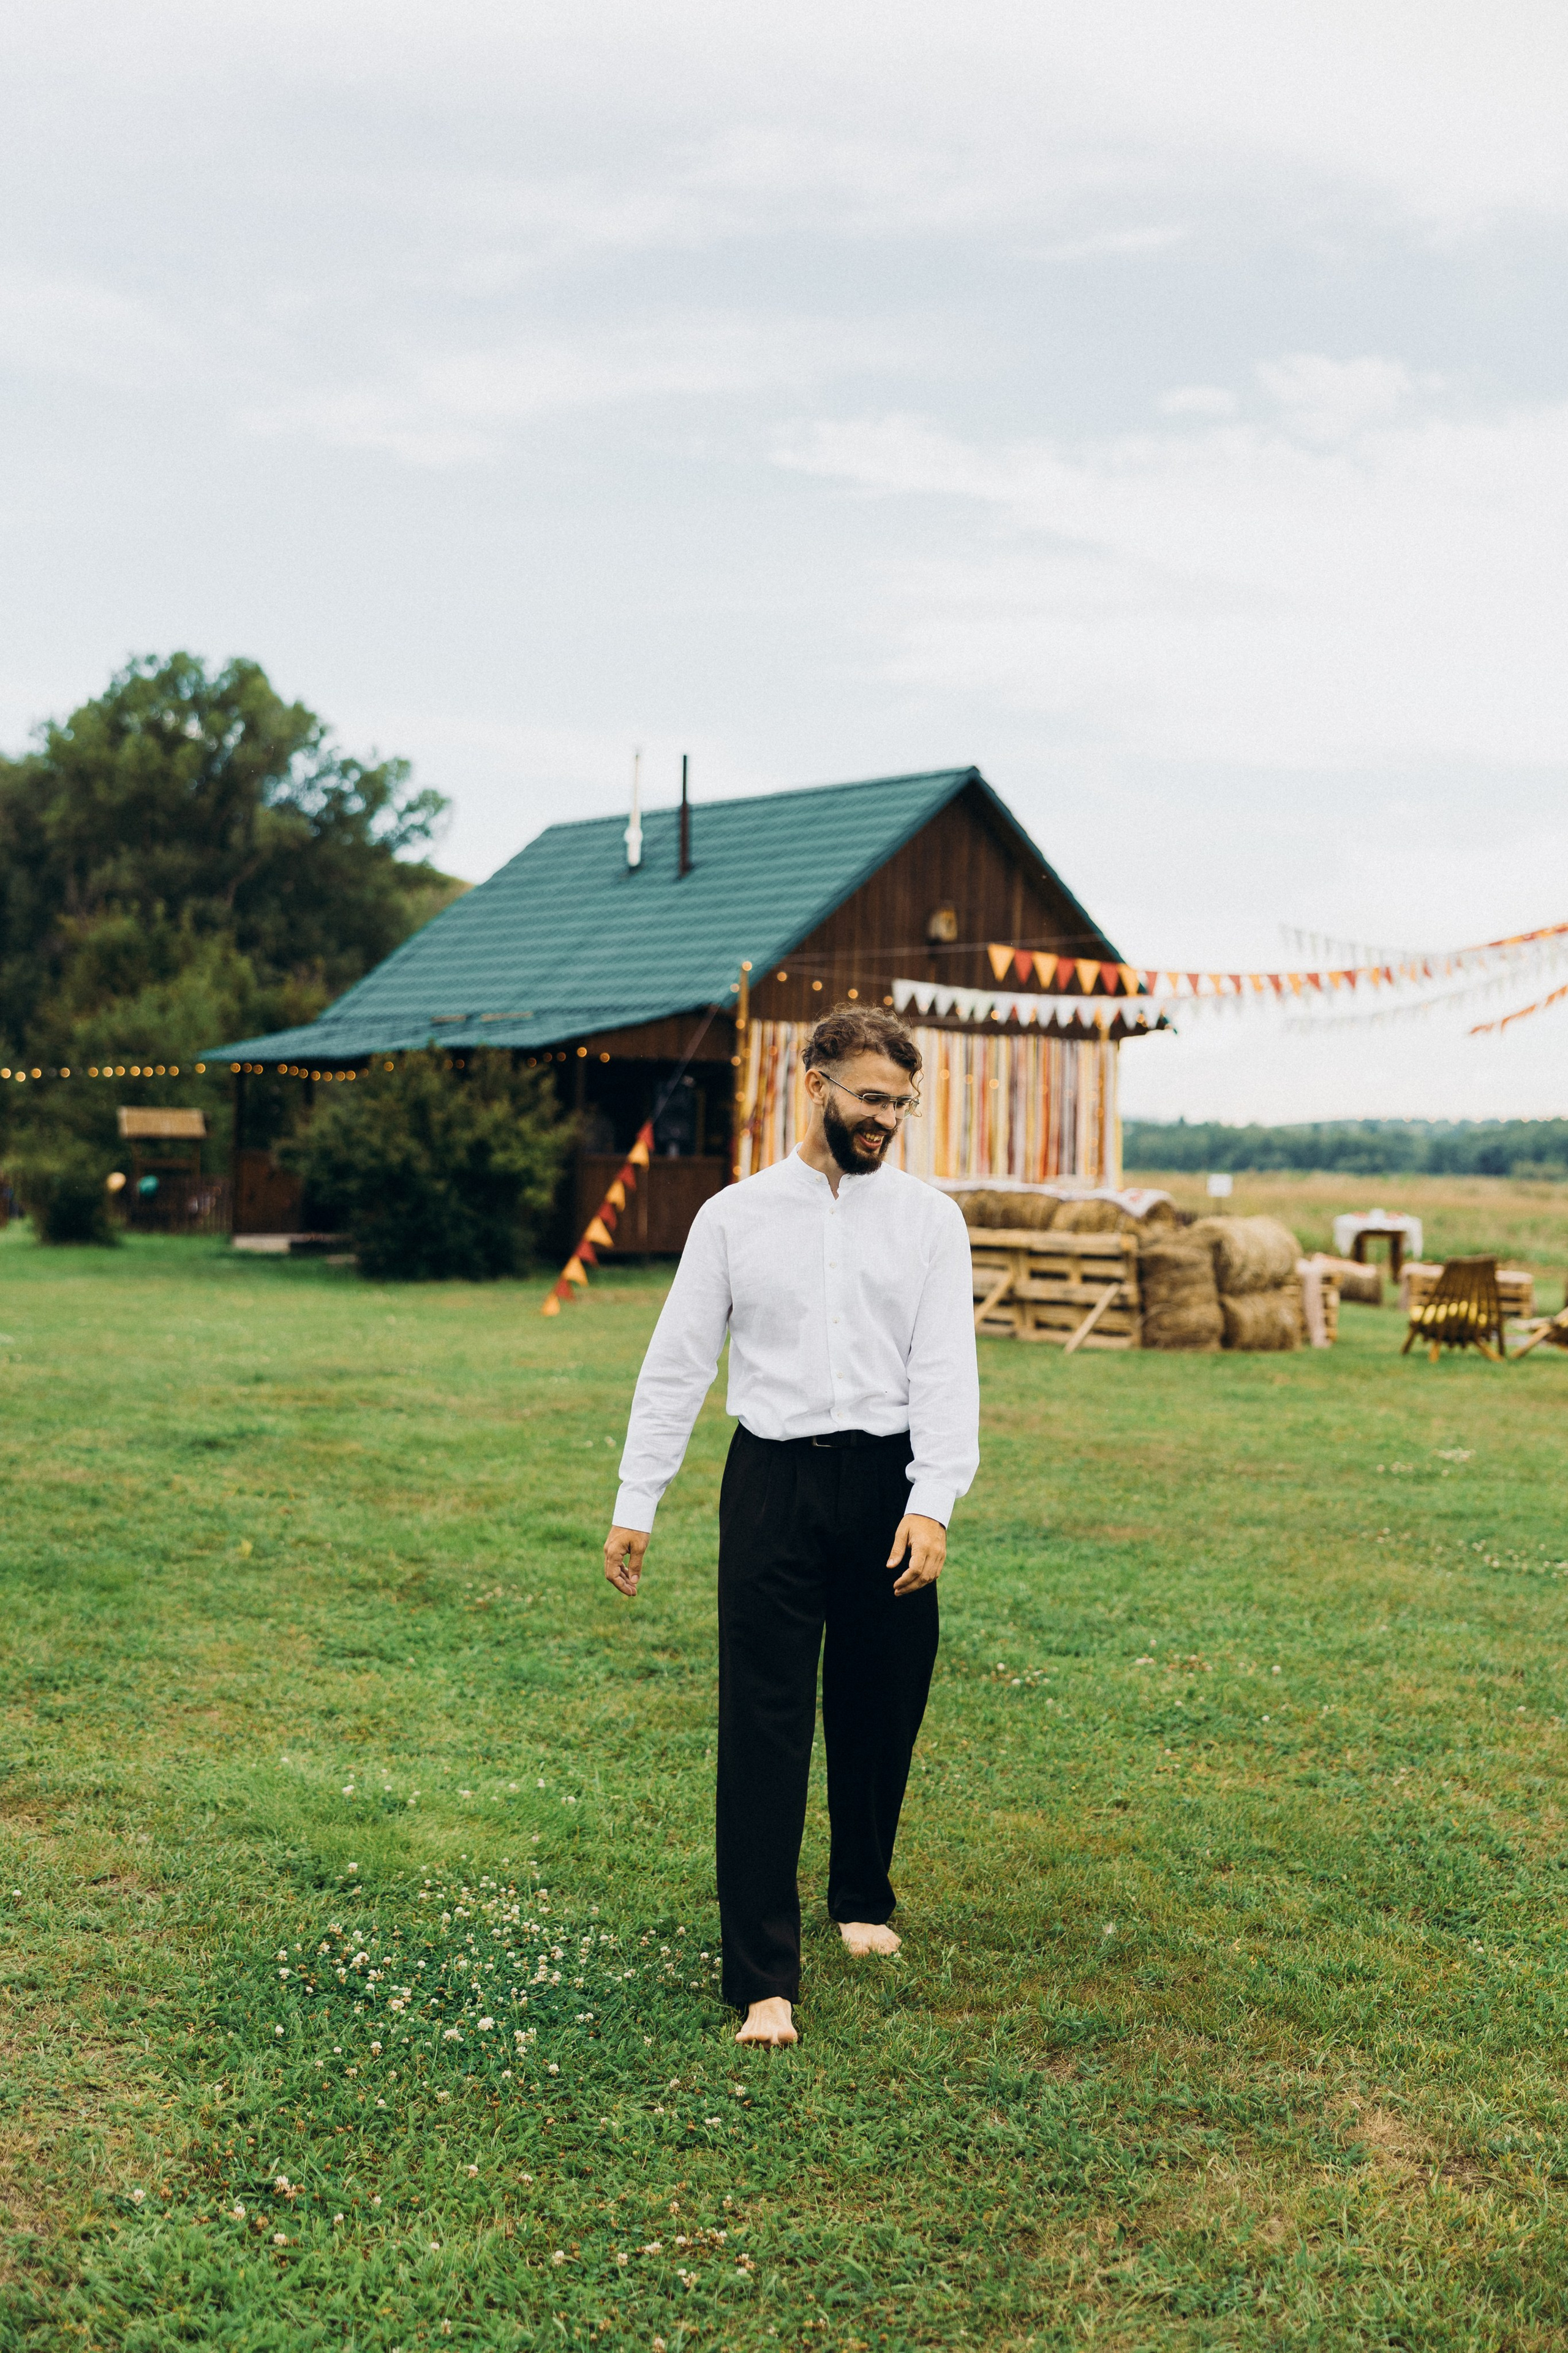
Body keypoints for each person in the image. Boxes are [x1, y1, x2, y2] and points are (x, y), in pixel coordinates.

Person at [601, 1003, 979, 2047]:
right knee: (764, 1723)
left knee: (881, 1702)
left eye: (900, 1103)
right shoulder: (733, 1216)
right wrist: (640, 1503)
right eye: (869, 1098)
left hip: (889, 1480)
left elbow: (949, 1369)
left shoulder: (929, 1222)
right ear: (812, 1079)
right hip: (769, 1483)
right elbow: (677, 1365)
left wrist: (933, 1501)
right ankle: (764, 1977)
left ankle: (860, 1896)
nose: (885, 1120)